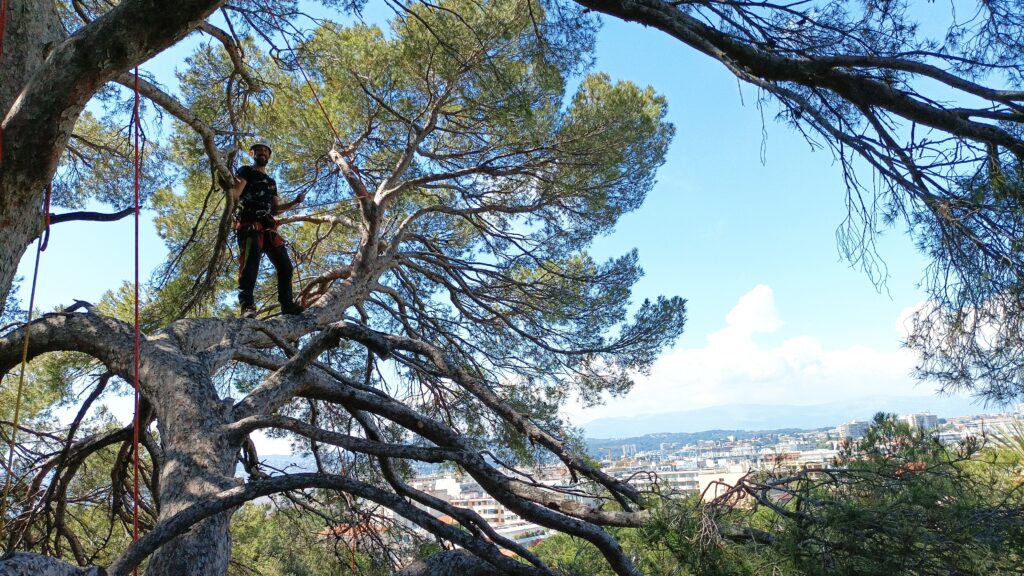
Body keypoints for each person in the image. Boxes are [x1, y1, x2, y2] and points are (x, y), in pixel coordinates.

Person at [232, 142, 305, 318]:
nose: (263, 153)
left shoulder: (271, 182)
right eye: (259, 151)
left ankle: (287, 304)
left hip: (267, 227)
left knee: (286, 267)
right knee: (250, 266)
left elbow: (276, 209)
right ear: (252, 154)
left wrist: (295, 202)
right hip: (250, 224)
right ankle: (247, 306)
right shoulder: (245, 171)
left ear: (269, 156)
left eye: (266, 151)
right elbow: (235, 193)